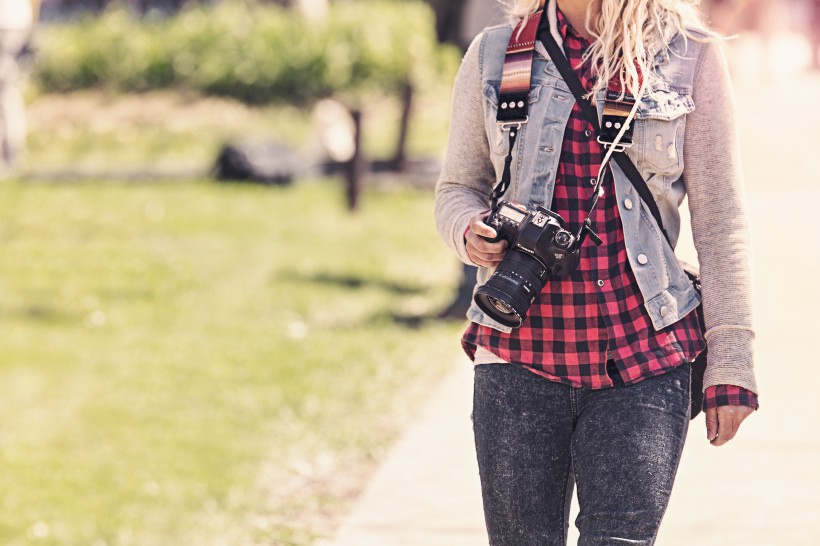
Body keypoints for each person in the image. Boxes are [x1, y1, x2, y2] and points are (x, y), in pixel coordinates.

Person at [434, 0, 759, 544]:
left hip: (645, 359)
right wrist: (469, 229)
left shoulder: (687, 54)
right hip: (518, 357)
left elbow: (722, 223)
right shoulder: (496, 54)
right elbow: (456, 188)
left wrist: (733, 360)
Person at [0, 0, 37, 172]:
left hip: (7, 21)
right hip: (18, 19)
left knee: (4, 89)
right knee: (6, 89)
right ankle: (11, 156)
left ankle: (10, 156)